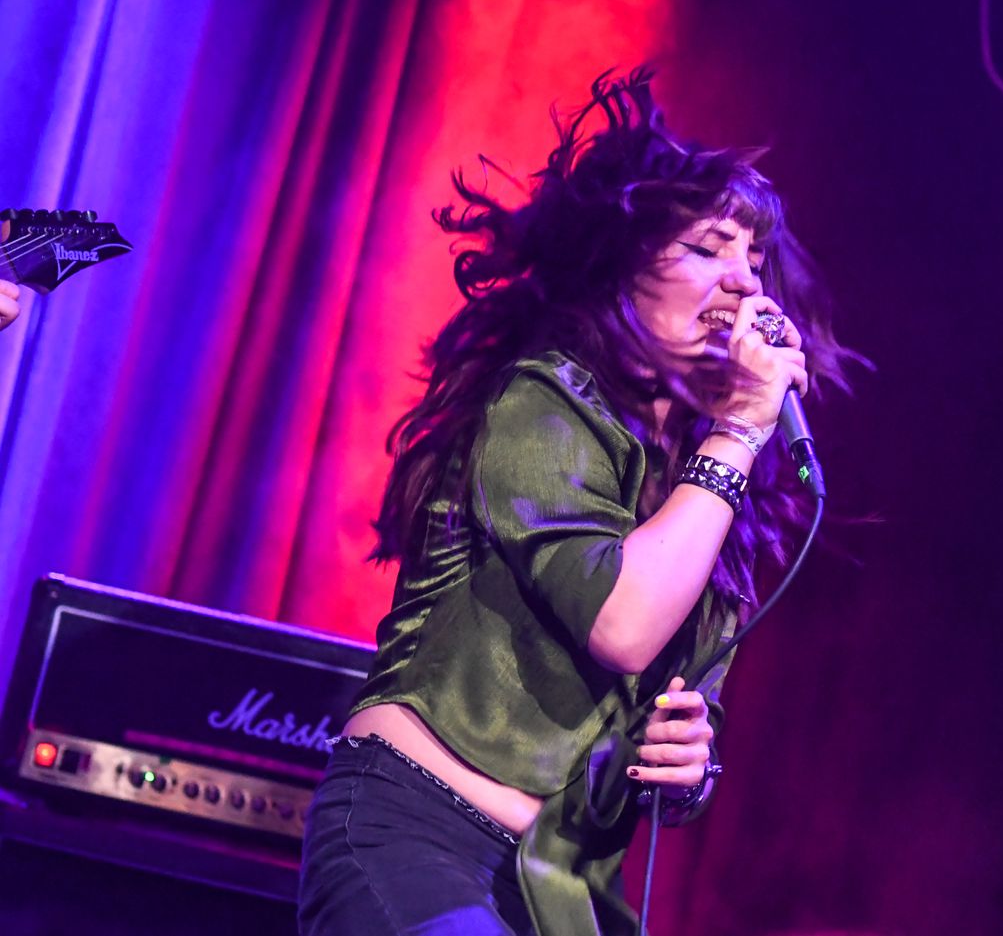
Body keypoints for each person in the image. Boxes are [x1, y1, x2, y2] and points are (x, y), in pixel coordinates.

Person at [298, 69, 851, 936]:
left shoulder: (709, 492)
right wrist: (742, 429)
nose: (746, 282)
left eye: (754, 259)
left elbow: (675, 715)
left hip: (557, 893)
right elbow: (622, 622)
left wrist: (690, 766)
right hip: (417, 837)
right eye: (710, 249)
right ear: (622, 267)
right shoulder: (543, 401)